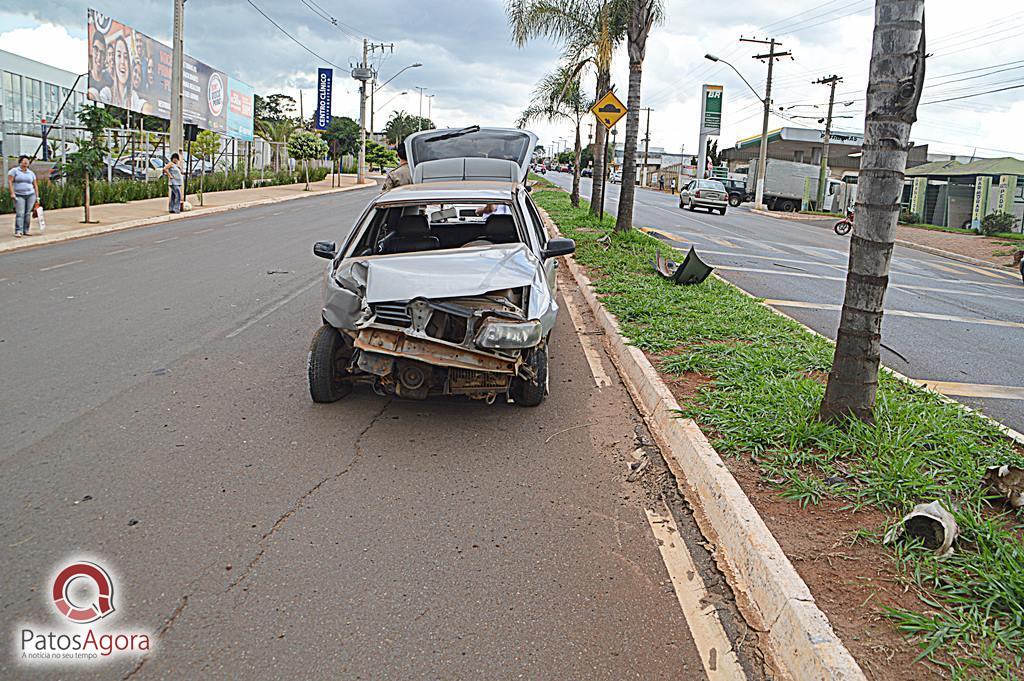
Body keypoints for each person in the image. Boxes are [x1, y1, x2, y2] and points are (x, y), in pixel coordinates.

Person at [8, 155, 40, 238]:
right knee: (20, 213)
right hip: (19, 194)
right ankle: (18, 230)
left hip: (30, 194)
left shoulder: (31, 173)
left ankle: (26, 230)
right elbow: (10, 182)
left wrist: (37, 197)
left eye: (27, 162)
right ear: (20, 162)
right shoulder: (14, 171)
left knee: (27, 213)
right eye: (24, 161)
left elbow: (35, 185)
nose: (25, 163)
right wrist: (12, 193)